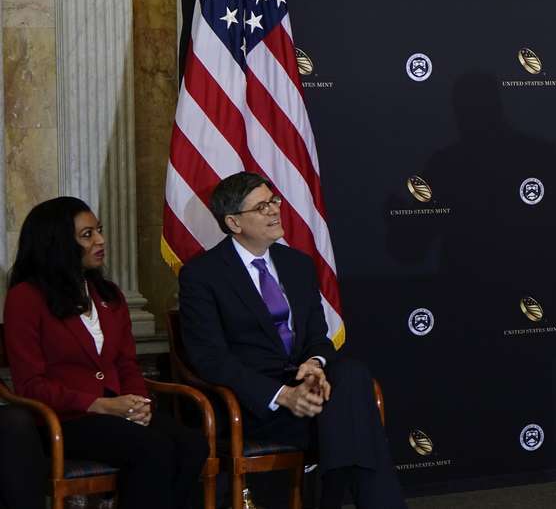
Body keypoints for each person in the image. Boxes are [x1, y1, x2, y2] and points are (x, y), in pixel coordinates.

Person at [178, 172, 402, 509]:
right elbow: (211, 359)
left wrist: (314, 366)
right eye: (262, 207)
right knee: (355, 421)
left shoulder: (297, 264)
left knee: (352, 376)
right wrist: (283, 396)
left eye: (274, 201)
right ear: (234, 223)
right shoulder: (203, 275)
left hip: (309, 392)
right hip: (254, 404)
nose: (274, 211)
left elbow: (317, 337)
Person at [3, 197, 208, 508]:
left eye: (98, 230)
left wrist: (138, 404)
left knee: (193, 444)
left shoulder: (109, 295)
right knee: (153, 450)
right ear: (57, 243)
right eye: (87, 235)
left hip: (118, 411)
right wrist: (100, 405)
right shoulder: (26, 298)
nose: (100, 240)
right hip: (65, 419)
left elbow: (126, 364)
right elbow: (31, 383)